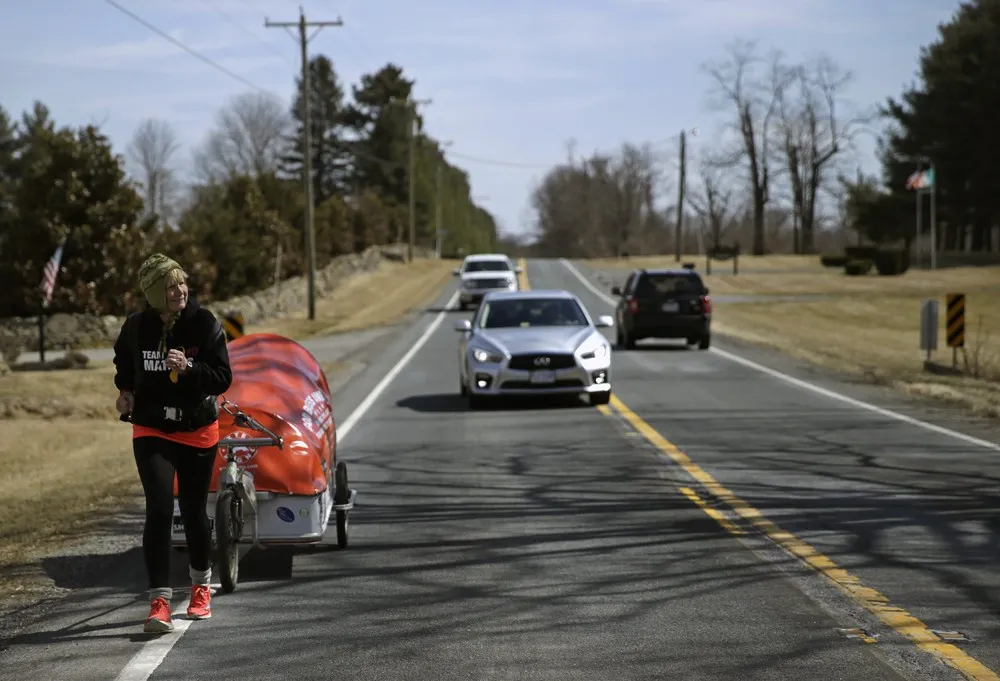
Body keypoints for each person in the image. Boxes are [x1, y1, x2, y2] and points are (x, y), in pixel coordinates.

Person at [113, 253, 233, 634]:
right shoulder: (136, 328)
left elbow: (222, 377)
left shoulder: (204, 323)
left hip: (197, 429)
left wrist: (190, 368)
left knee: (193, 511)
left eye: (182, 283)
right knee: (160, 509)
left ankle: (200, 586)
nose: (180, 290)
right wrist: (125, 392)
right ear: (154, 294)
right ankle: (159, 603)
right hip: (152, 428)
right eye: (170, 286)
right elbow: (124, 363)